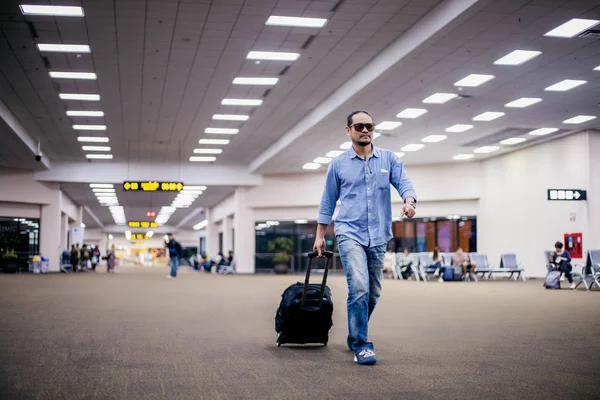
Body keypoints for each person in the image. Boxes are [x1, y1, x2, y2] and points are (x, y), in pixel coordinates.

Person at [314, 110, 417, 365]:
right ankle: (362, 344)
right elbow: (327, 202)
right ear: (348, 131)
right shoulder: (338, 164)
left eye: (369, 125)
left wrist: (409, 201)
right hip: (349, 233)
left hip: (379, 234)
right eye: (359, 126)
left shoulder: (389, 159)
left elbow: (405, 184)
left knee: (373, 293)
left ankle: (353, 333)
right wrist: (320, 236)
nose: (365, 130)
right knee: (359, 287)